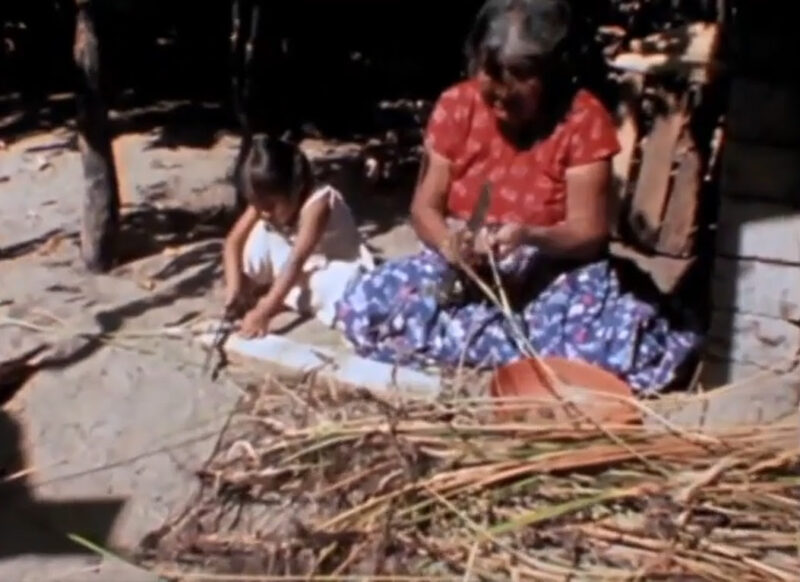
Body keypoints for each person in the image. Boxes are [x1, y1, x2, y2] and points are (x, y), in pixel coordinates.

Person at [334, 0, 700, 393]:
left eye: (513, 100)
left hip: (556, 270)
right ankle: (494, 346)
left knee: (613, 344)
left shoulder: (582, 120)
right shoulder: (457, 106)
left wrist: (528, 235)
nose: (498, 108)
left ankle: (491, 347)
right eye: (490, 95)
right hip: (466, 264)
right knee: (366, 303)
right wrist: (449, 244)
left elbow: (589, 233)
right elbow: (425, 208)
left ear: (548, 79)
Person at [223, 134, 374, 338]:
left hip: (331, 262)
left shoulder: (319, 203)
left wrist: (264, 311)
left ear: (295, 188)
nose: (264, 212)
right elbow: (233, 242)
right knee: (259, 234)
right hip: (294, 262)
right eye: (258, 206)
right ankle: (262, 292)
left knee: (329, 286)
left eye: (269, 206)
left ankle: (281, 297)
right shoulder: (263, 199)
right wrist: (234, 289)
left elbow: (296, 260)